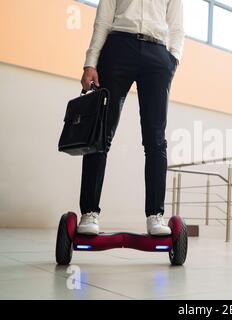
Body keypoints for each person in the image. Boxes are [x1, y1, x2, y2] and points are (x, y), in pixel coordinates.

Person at [78, 0, 184, 236]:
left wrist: (173, 59)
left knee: (156, 139)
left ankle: (155, 215)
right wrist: (90, 62)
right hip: (118, 48)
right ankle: (89, 212)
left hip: (158, 55)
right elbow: (103, 19)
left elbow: (177, 26)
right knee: (101, 133)